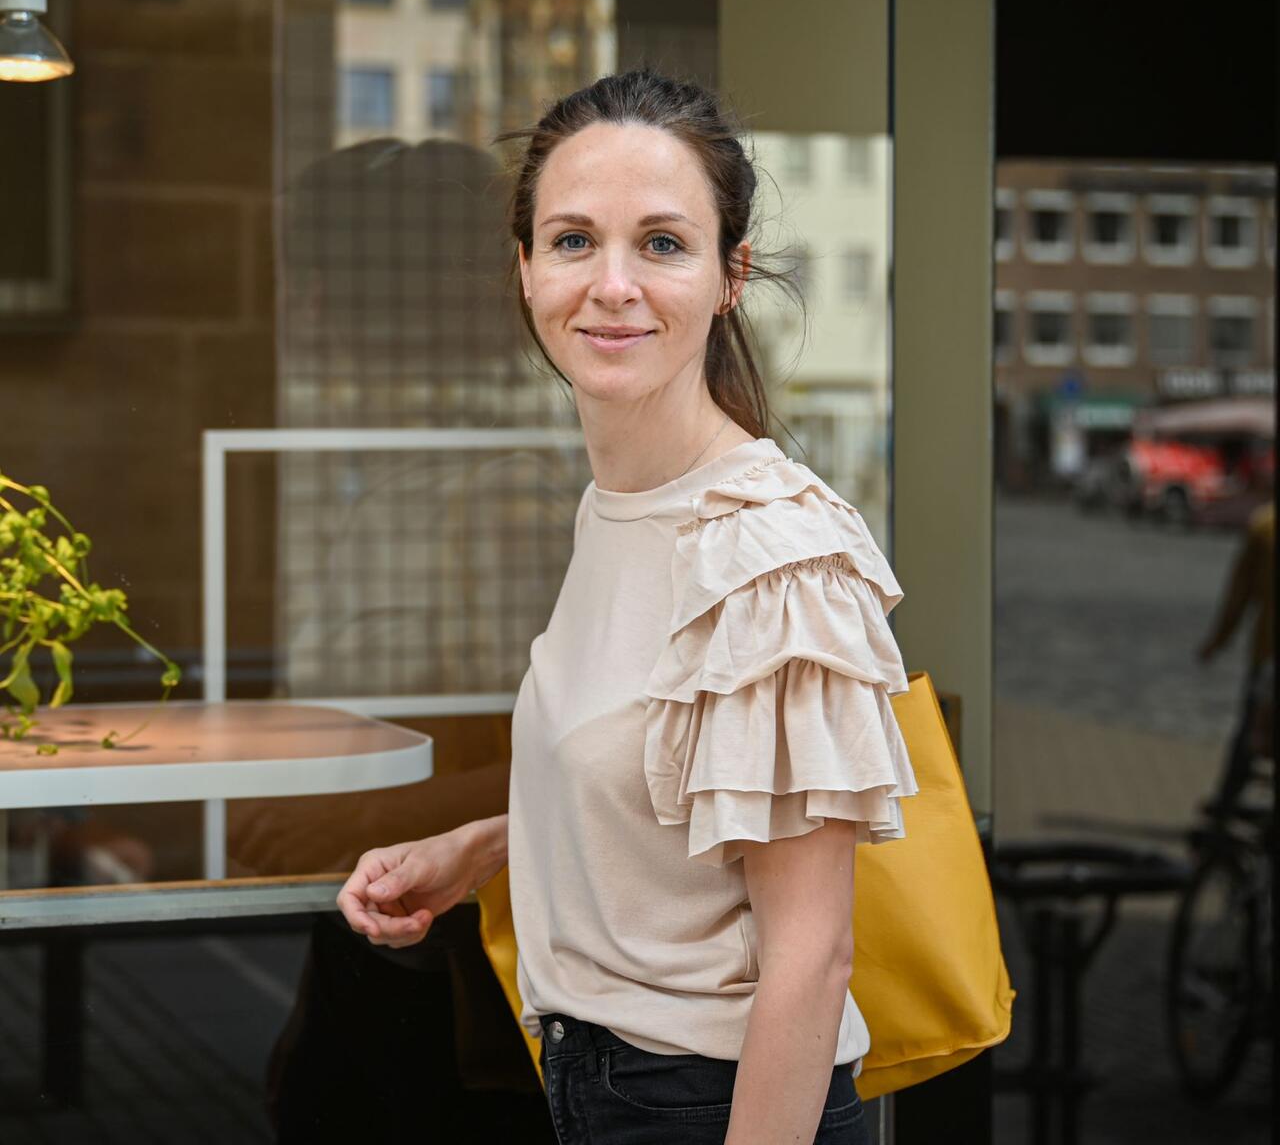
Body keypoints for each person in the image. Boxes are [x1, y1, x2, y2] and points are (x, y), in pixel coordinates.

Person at [337, 69, 918, 1145]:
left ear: (729, 274)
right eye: (571, 240)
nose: (611, 284)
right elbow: (684, 791)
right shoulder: (620, 504)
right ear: (524, 270)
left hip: (720, 1102)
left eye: (660, 242)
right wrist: (479, 848)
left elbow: (809, 955)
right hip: (595, 1078)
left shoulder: (765, 549)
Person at [1196, 494, 1275, 815]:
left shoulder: (1266, 526)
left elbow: (1239, 594)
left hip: (1269, 655)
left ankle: (1226, 805)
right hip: (1268, 656)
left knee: (1250, 735)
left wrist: (1218, 640)